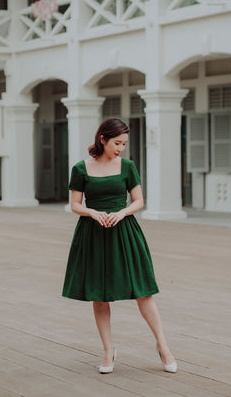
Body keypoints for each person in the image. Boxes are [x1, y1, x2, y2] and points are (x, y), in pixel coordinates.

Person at [62, 118, 177, 374]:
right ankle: (108, 350)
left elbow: (138, 201)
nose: (121, 148)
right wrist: (91, 212)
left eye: (124, 144)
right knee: (99, 295)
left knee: (143, 291)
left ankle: (163, 346)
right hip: (93, 233)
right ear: (102, 139)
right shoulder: (81, 168)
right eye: (117, 143)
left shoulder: (127, 166)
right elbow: (75, 204)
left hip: (124, 231)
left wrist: (123, 212)